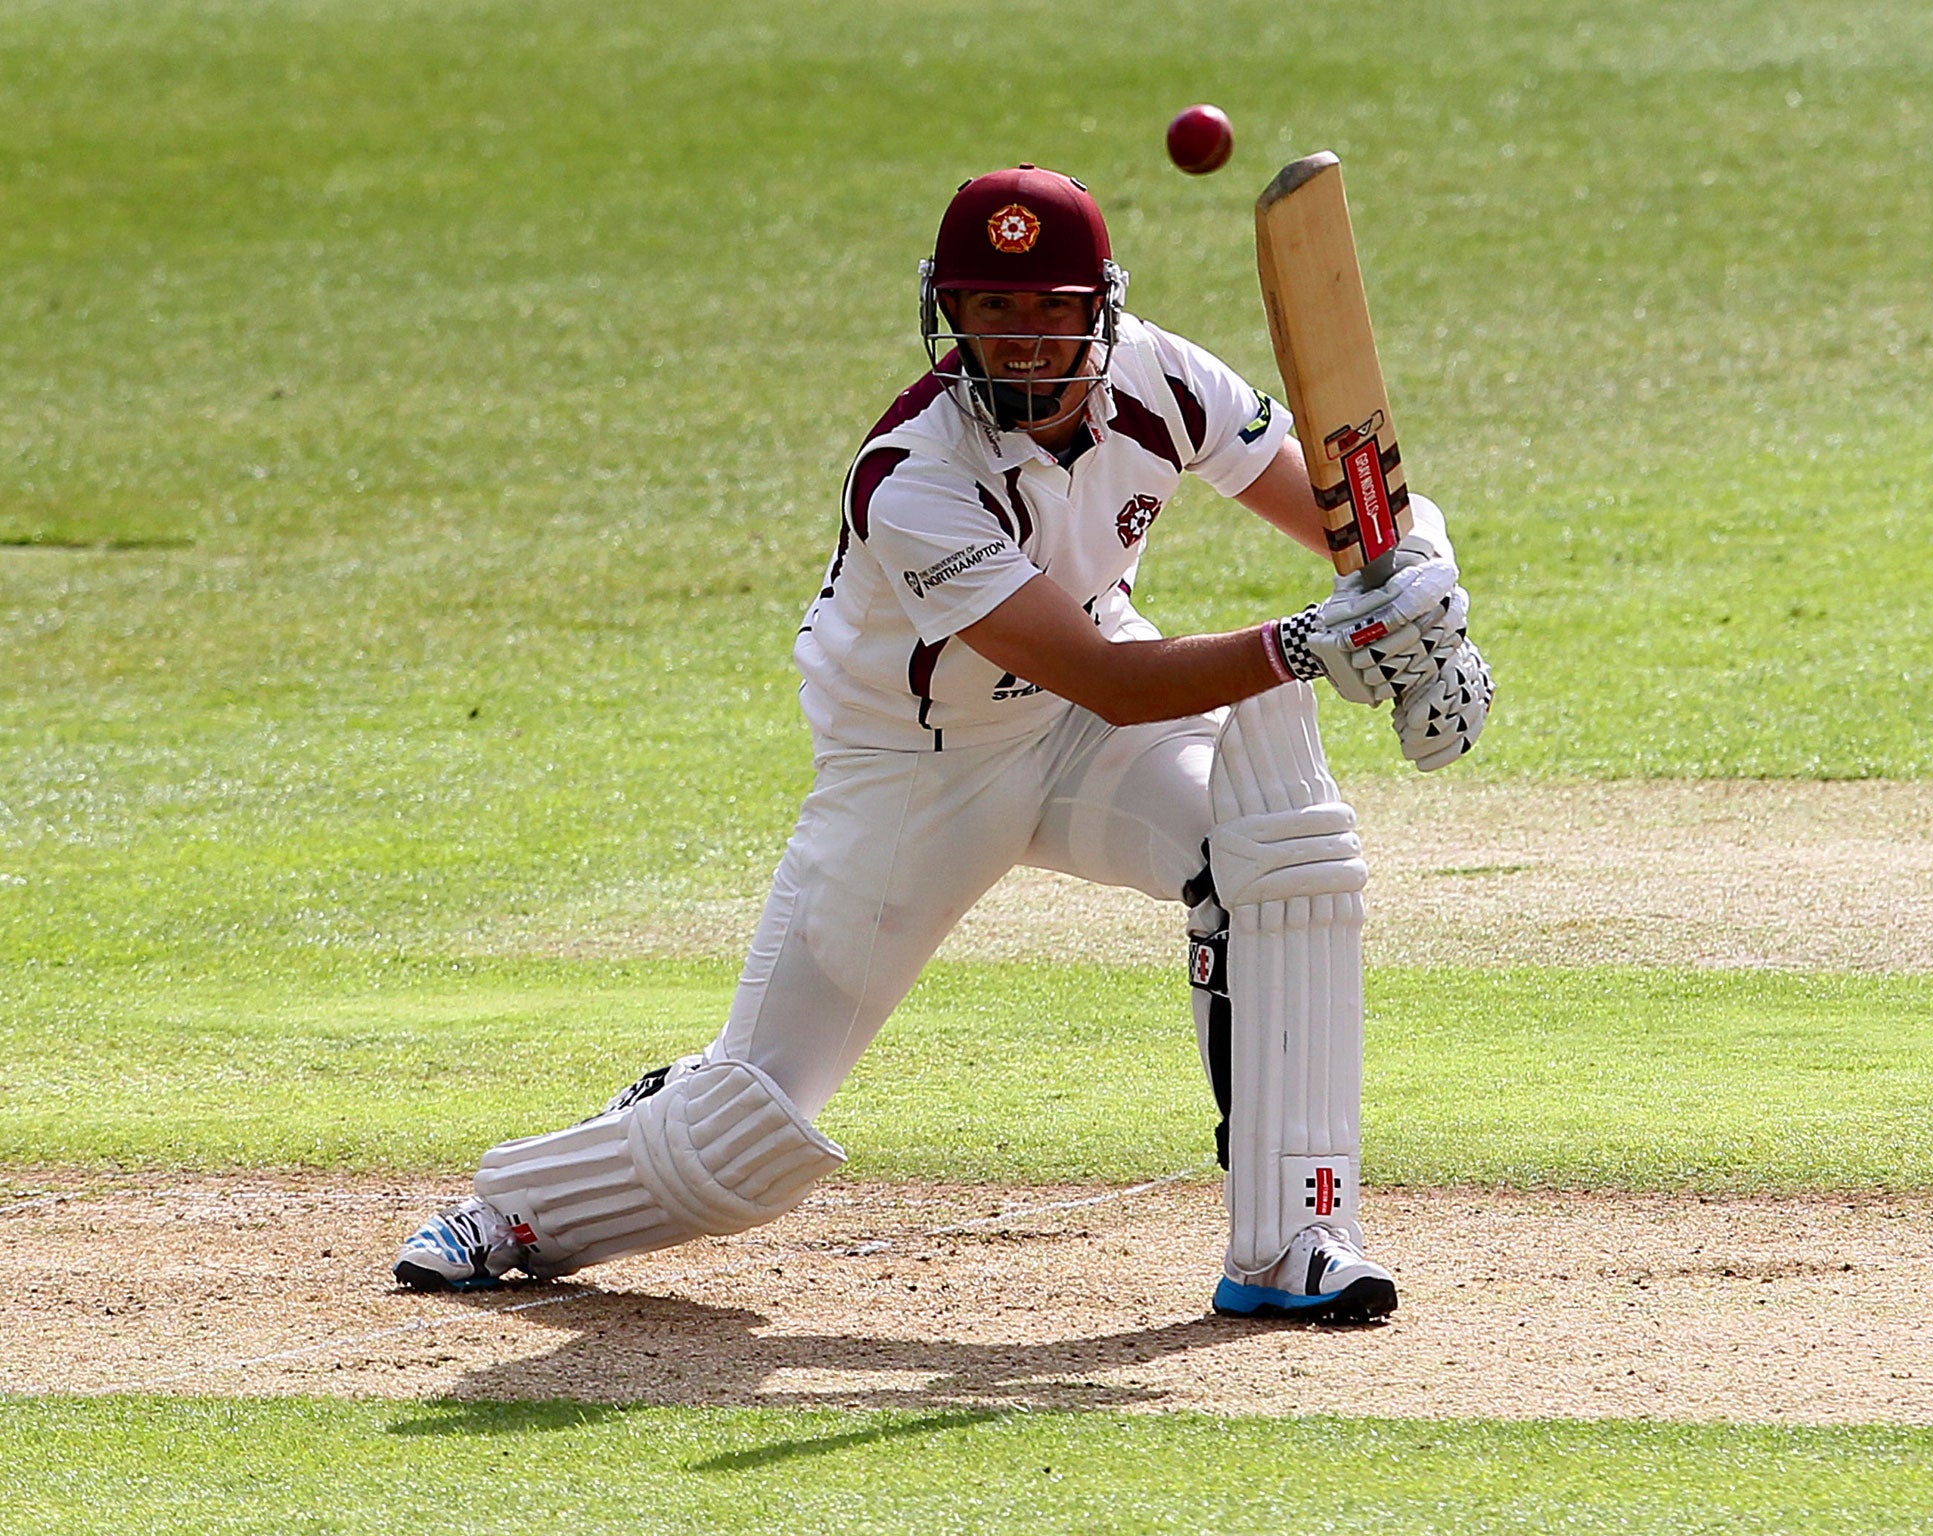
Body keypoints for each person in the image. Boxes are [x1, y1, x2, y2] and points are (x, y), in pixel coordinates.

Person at [394, 164, 1492, 1323]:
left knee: (1276, 848)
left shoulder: (1163, 379)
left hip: (1080, 736)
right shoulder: (911, 473)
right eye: (992, 308)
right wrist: (1313, 643)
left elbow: (1355, 516)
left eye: (1050, 307)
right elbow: (1110, 681)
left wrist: (1430, 604)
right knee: (748, 1136)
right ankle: (522, 1210)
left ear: (1100, 308)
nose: (1023, 340)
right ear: (949, 312)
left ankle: (1290, 1241)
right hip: (918, 767)